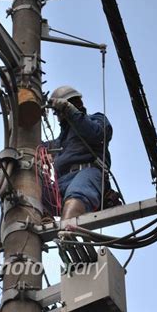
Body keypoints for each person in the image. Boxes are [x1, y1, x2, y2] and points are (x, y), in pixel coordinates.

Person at [45, 85, 113, 220]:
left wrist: (70, 111)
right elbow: (37, 147)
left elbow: (97, 134)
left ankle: (67, 233)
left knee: (76, 194)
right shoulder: (60, 140)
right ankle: (41, 220)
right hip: (62, 182)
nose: (58, 116)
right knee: (33, 195)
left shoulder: (96, 119)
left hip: (87, 173)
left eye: (58, 112)